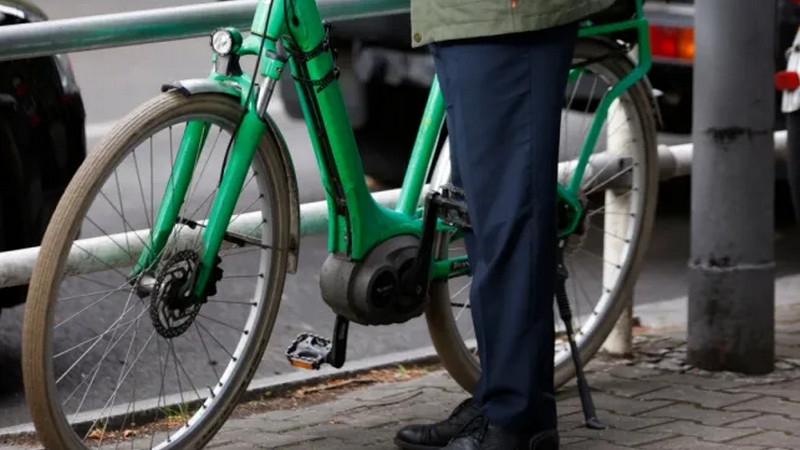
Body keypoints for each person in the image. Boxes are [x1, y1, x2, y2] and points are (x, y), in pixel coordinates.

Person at [394, 0, 616, 449]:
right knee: (486, 217)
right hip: (472, 16)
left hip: (501, 15)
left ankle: (518, 422)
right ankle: (500, 398)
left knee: (506, 225)